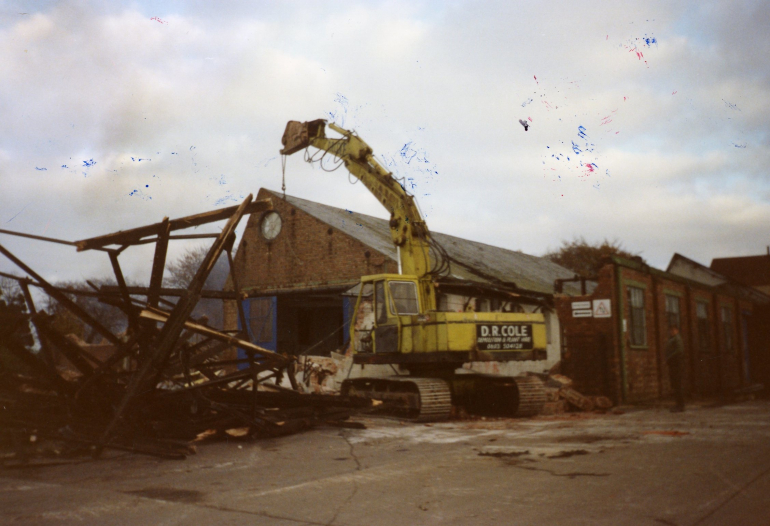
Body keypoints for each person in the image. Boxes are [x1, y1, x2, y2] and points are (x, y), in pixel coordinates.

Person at [665, 325, 685, 412]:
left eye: (673, 330)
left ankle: (680, 405)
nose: (671, 332)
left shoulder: (677, 339)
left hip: (676, 365)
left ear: (677, 330)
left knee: (677, 385)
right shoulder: (672, 339)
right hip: (673, 365)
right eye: (670, 330)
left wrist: (670, 357)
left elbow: (679, 350)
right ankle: (678, 404)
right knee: (675, 385)